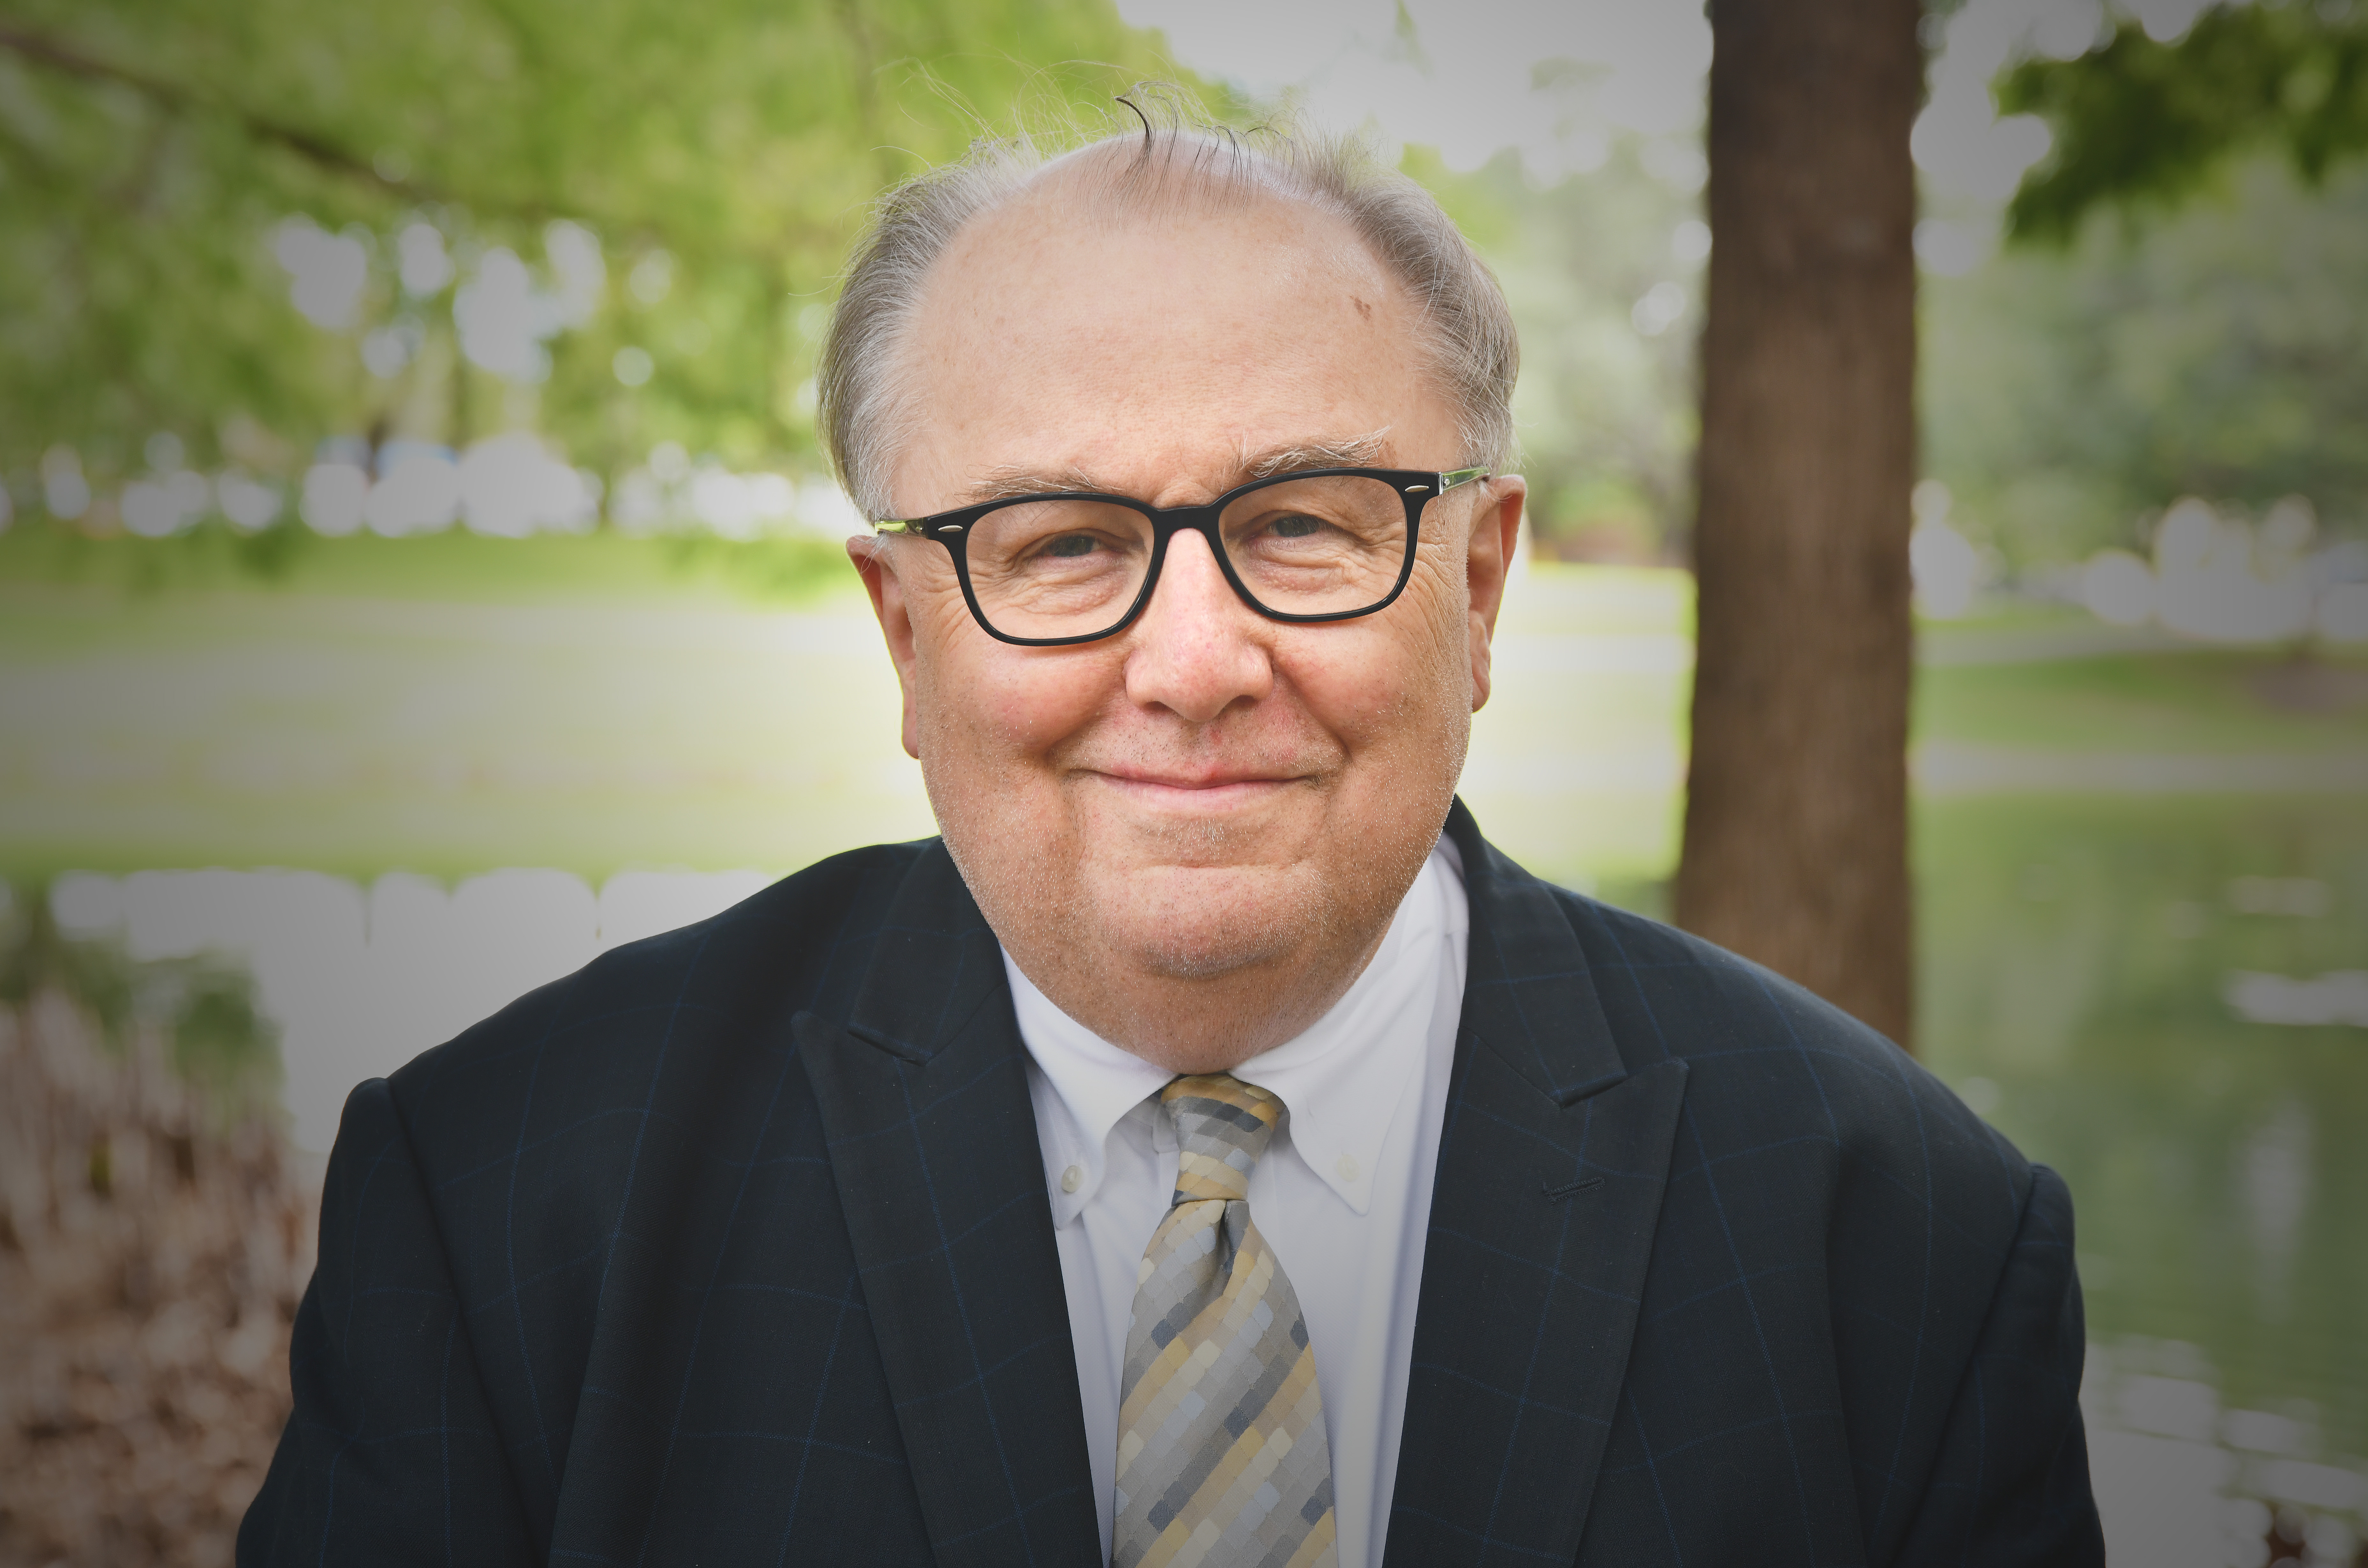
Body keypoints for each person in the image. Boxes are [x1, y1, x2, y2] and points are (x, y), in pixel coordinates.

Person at [240, 109, 2103, 1568]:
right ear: (906, 635)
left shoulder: (1907, 1238)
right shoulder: (504, 1196)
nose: (1196, 663)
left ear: (1476, 582)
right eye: (1058, 543)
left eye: (1302, 521)